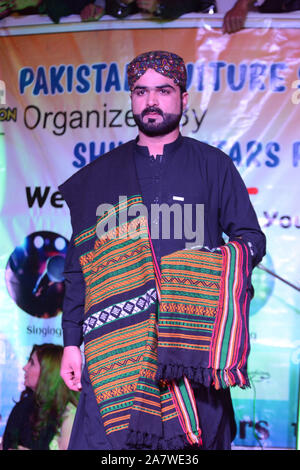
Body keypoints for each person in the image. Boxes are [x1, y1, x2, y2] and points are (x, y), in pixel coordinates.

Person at [59, 50, 266, 450]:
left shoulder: (214, 166)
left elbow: (250, 240)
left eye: (164, 90)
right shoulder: (99, 178)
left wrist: (193, 273)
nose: (151, 101)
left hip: (189, 350)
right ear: (132, 98)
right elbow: (78, 267)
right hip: (115, 355)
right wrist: (71, 341)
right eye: (141, 91)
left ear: (184, 99)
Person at [2, 343, 79, 450]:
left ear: (48, 372)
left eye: (32, 363)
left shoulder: (70, 414)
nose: (25, 367)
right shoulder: (22, 407)